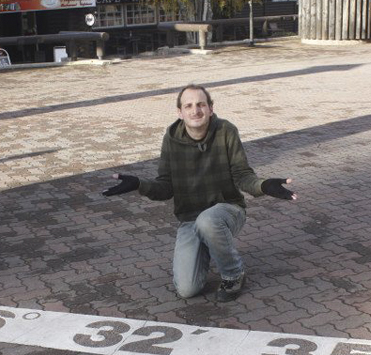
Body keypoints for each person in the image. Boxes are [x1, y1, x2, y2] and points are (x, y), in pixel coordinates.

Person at [102, 84, 296, 302]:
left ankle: (234, 274)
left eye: (201, 104)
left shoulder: (226, 131)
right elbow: (165, 186)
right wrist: (139, 184)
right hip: (191, 218)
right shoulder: (171, 139)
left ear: (211, 108)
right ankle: (207, 244)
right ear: (180, 112)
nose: (195, 110)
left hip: (228, 210)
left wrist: (264, 185)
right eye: (189, 106)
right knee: (187, 289)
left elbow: (242, 175)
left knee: (208, 221)